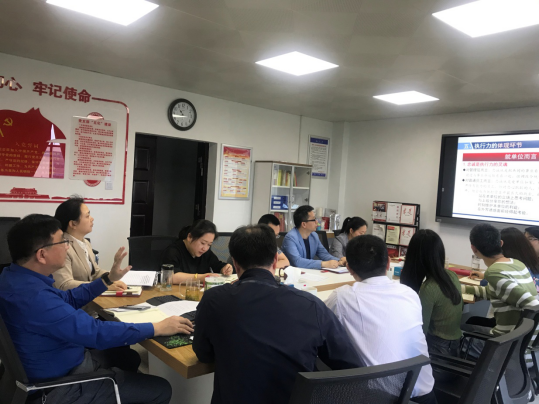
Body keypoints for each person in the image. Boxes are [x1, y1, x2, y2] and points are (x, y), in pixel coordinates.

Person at [0, 214, 194, 404]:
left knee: (128, 357)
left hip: (50, 364)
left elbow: (68, 298)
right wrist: (157, 327)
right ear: (42, 254)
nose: (67, 247)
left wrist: (107, 280)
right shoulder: (36, 298)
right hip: (60, 385)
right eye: (62, 242)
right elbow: (96, 333)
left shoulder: (13, 278)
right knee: (160, 389)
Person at [193, 224, 362, 404]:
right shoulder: (311, 305)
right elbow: (352, 368)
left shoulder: (214, 300)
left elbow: (204, 354)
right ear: (275, 260)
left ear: (235, 262)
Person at [325, 235, 436, 404]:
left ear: (349, 268)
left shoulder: (342, 298)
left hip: (383, 399)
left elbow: (318, 326)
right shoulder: (409, 293)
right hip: (426, 396)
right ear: (388, 263)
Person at [462, 224, 539, 339]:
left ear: (473, 248)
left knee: (458, 330)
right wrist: (460, 288)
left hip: (505, 340)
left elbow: (534, 305)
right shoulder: (517, 263)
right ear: (501, 243)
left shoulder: (494, 272)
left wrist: (516, 340)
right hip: (523, 339)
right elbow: (491, 291)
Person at [400, 230, 463, 356]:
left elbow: (420, 333)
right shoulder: (452, 275)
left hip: (437, 351)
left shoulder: (429, 288)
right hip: (455, 348)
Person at [52, 196, 127, 291]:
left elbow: (95, 273)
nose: (92, 219)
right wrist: (103, 285)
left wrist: (111, 276)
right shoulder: (61, 246)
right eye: (87, 216)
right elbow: (65, 284)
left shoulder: (85, 242)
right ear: (73, 224)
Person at [161, 219, 233, 284]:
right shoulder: (173, 251)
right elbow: (170, 277)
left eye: (209, 244)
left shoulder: (205, 252)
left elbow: (217, 265)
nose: (205, 248)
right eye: (203, 243)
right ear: (190, 237)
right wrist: (201, 278)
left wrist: (225, 268)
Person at [281, 205, 344, 269]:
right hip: (294, 273)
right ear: (304, 224)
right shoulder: (290, 238)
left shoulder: (314, 235)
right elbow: (297, 261)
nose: (317, 222)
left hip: (308, 272)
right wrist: (323, 264)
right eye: (314, 219)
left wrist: (340, 261)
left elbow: (324, 254)